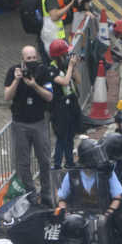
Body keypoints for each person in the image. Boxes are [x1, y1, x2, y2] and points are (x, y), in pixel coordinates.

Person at [7, 44, 56, 204]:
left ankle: (47, 192)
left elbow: (49, 97)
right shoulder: (13, 71)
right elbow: (7, 96)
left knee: (44, 159)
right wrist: (17, 79)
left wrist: (34, 85)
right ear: (22, 60)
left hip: (39, 123)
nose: (32, 61)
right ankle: (30, 194)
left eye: (34, 58)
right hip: (20, 124)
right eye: (28, 59)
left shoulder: (43, 71)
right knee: (23, 162)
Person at [47, 39, 83, 171]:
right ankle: (57, 165)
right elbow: (64, 81)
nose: (67, 57)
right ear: (58, 56)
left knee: (70, 136)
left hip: (71, 105)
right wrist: (70, 67)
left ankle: (69, 162)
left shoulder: (66, 66)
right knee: (61, 138)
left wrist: (74, 67)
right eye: (65, 55)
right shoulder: (51, 69)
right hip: (59, 108)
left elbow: (78, 81)